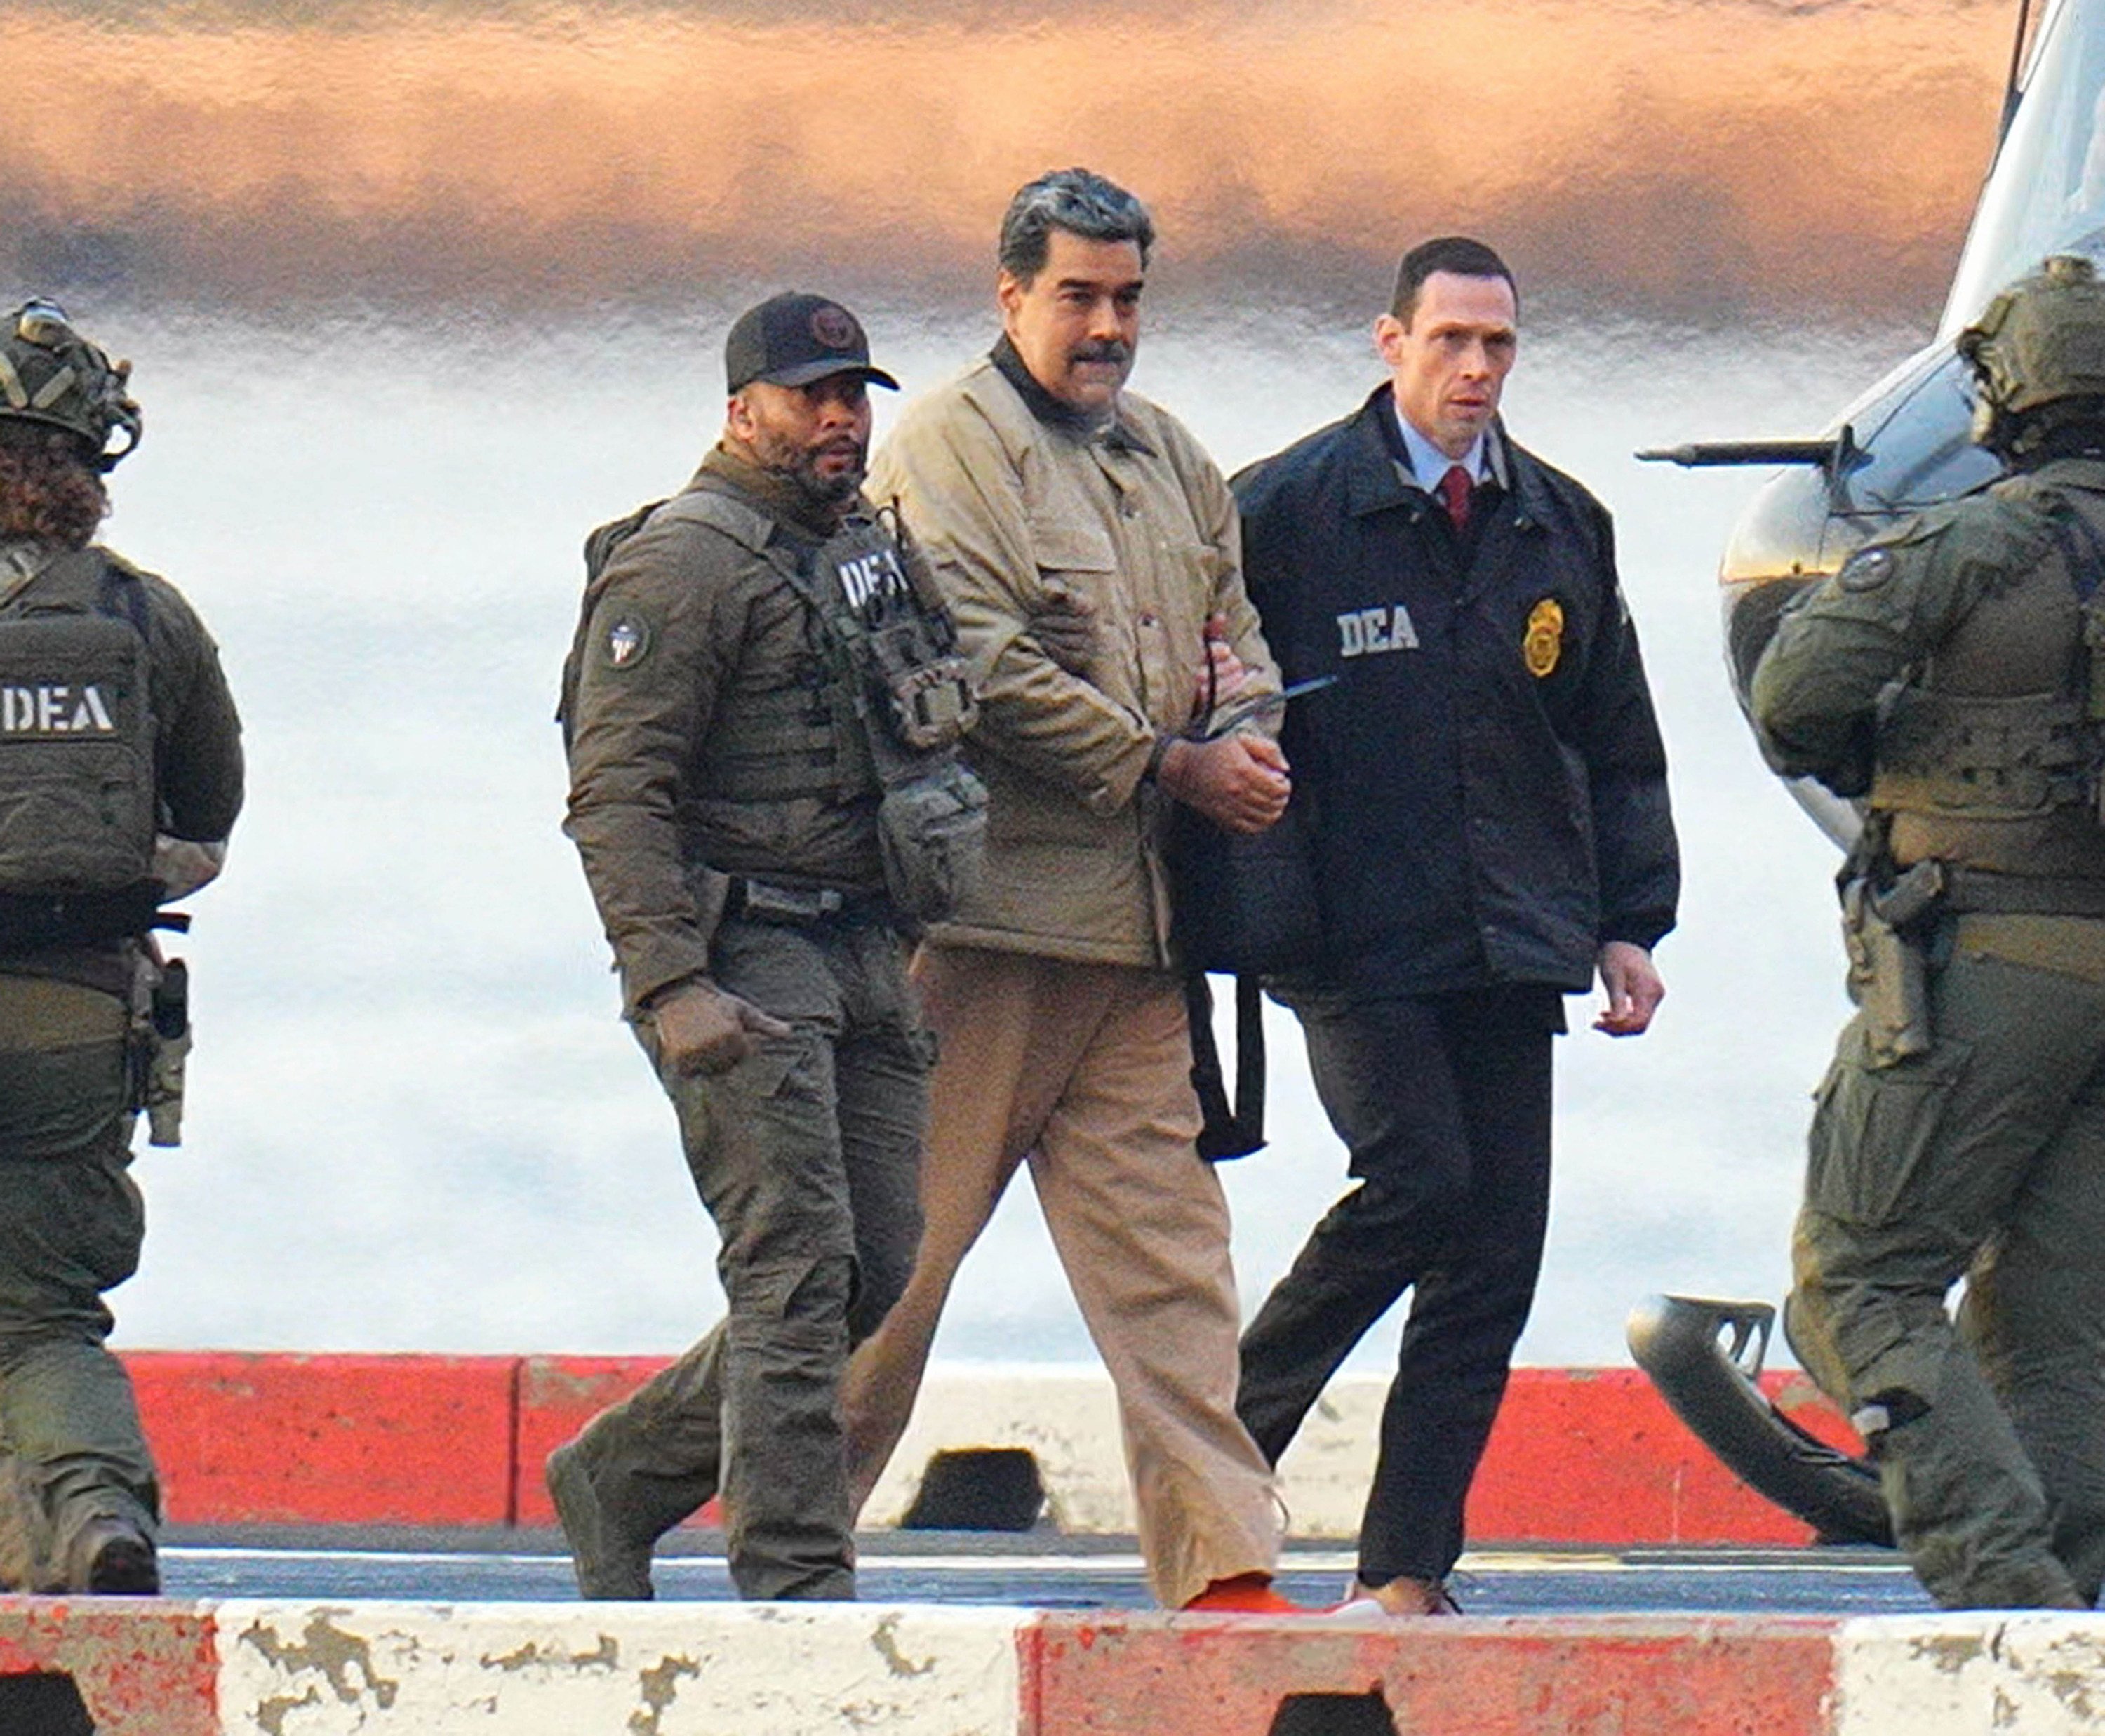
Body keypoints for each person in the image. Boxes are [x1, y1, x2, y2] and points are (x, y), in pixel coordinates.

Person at [839, 167, 1295, 1613]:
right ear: (1012, 295)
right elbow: (976, 663)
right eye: (1079, 298)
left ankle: (1225, 1570)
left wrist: (1243, 737)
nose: (1107, 328)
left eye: (1128, 300)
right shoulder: (949, 447)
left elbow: (1248, 647)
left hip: (1139, 946)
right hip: (984, 938)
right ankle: (771, 1538)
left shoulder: (1171, 460)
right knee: (888, 1282)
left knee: (1176, 1284)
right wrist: (1170, 757)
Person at [1229, 237, 1679, 1615]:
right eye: (1451, 341)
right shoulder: (1289, 509)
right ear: (1391, 341)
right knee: (1419, 1183)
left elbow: (1616, 739)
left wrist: (1628, 921)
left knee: (1498, 1246)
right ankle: (1214, 1457)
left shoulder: (1561, 521)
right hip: (1350, 929)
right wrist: (1240, 904)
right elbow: (1212, 710)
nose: (1475, 369)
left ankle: (1407, 1568)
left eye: (1498, 345)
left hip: (1511, 931)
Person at [552, 292, 986, 1601]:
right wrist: (671, 982)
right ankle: (797, 1585)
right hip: (745, 956)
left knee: (874, 1267)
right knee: (791, 1264)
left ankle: (620, 1474)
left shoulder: (862, 545)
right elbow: (616, 793)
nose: (841, 418)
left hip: (866, 943)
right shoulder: (682, 566)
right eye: (812, 396)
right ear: (743, 410)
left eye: (855, 394)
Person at [1751, 253, 2105, 1611]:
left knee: (1858, 1278)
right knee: (2056, 1330)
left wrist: (1897, 745)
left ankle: (2005, 1588)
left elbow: (1794, 693)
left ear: (2008, 397)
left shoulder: (1977, 542)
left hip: (1978, 973)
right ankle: (2071, 1618)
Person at [0, 302, 243, 1596]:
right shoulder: (148, 623)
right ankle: (93, 1514)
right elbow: (210, 813)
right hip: (77, 1018)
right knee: (42, 1319)